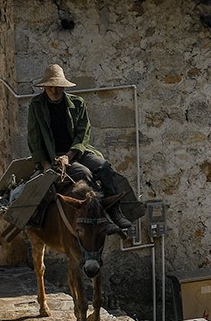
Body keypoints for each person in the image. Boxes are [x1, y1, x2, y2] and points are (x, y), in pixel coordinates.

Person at [26, 63, 134, 234]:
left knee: (103, 166)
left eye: (58, 86)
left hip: (76, 151)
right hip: (54, 156)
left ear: (64, 87)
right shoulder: (36, 105)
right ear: (45, 87)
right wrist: (46, 164)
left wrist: (69, 155)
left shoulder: (77, 103)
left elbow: (83, 133)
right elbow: (34, 138)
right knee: (84, 174)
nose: (54, 90)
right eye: (51, 86)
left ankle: (115, 210)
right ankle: (101, 216)